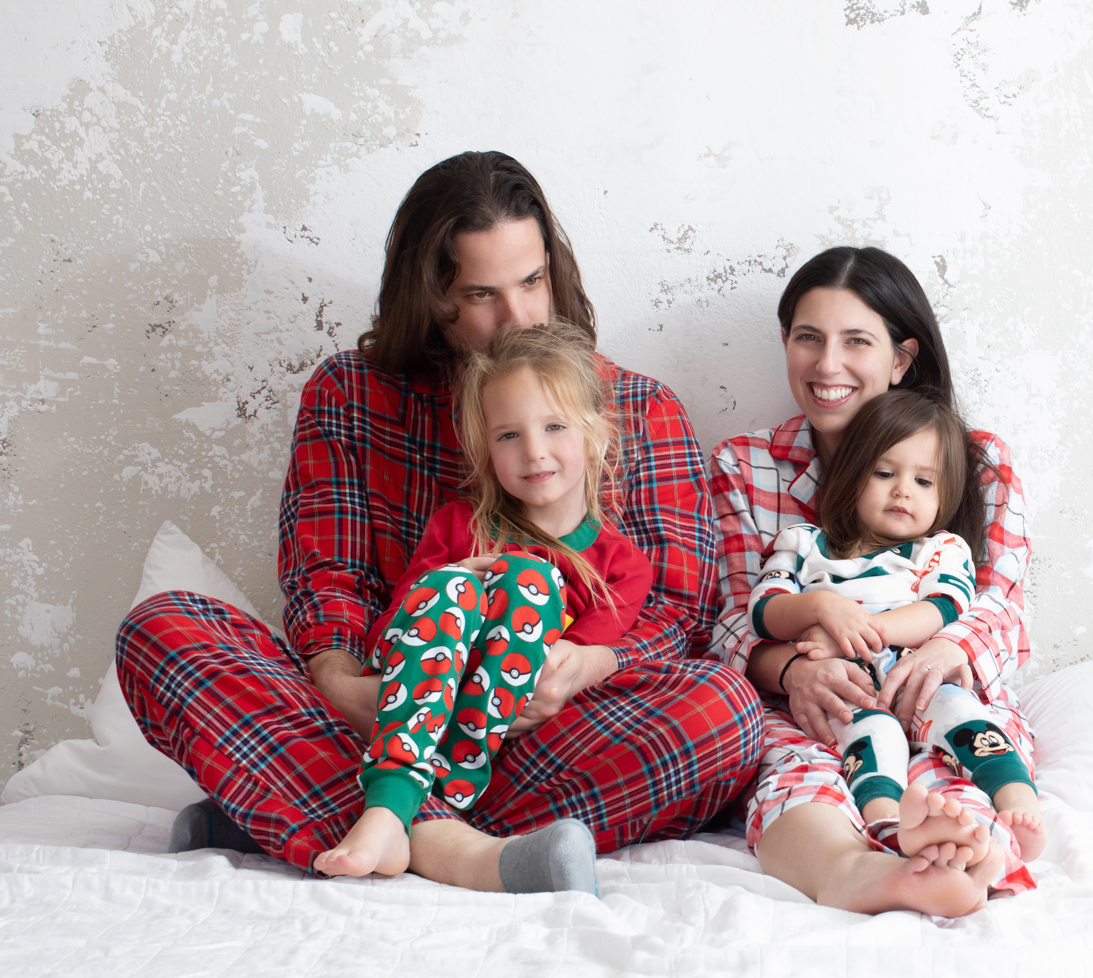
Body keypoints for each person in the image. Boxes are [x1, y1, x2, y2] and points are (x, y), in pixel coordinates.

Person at [115, 151, 763, 892]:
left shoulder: (641, 409)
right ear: (431, 295)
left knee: (725, 713)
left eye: (532, 282)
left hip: (544, 731)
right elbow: (326, 577)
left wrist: (582, 667)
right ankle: (460, 849)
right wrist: (342, 680)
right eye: (482, 294)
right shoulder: (350, 395)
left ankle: (343, 819)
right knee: (163, 628)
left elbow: (681, 611)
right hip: (377, 714)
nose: (517, 316)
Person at [710, 245, 1044, 917]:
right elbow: (731, 620)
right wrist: (792, 672)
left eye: (856, 341)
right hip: (814, 701)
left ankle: (961, 847)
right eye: (808, 338)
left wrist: (946, 650)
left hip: (938, 682)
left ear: (900, 358)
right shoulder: (745, 466)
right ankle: (850, 869)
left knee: (959, 747)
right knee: (797, 768)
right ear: (786, 343)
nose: (827, 365)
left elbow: (1001, 603)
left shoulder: (973, 461)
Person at [313, 323, 652, 888]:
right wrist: (456, 578)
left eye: (554, 427)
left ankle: (419, 809)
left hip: (507, 738)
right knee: (483, 581)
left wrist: (527, 630)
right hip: (408, 696)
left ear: (595, 435)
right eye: (508, 436)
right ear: (484, 447)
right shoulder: (456, 525)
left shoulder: (622, 566)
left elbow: (571, 672)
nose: (534, 451)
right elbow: (400, 629)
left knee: (529, 577)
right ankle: (391, 808)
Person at [745, 388, 1044, 871]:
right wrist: (820, 607)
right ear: (851, 475)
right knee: (870, 736)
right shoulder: (802, 543)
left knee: (962, 714)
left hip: (916, 675)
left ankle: (1016, 800)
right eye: (885, 473)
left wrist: (861, 631)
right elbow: (764, 610)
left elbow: (942, 608)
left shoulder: (940, 549)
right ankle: (888, 822)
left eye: (924, 481)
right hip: (849, 686)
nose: (903, 490)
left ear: (944, 496)